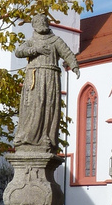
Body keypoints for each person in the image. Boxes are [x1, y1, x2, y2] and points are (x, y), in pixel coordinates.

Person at [14, 14, 80, 153]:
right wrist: (35, 50)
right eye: (38, 22)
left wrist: (74, 66)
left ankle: (45, 136)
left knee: (48, 107)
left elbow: (67, 53)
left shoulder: (55, 40)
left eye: (44, 21)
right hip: (34, 78)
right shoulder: (31, 41)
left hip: (50, 78)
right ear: (34, 25)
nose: (42, 24)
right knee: (32, 106)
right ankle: (27, 137)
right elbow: (18, 52)